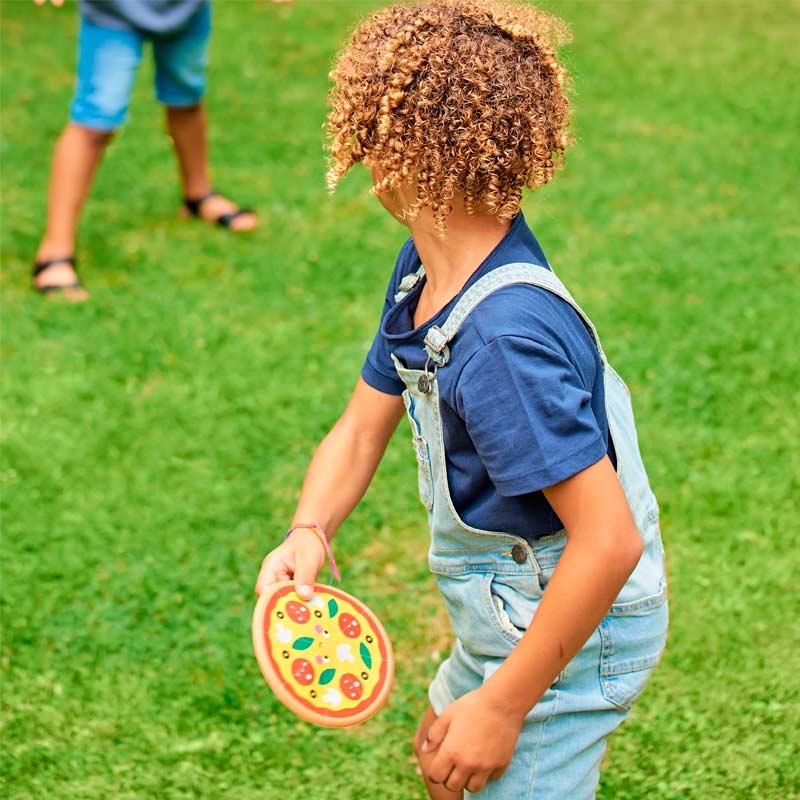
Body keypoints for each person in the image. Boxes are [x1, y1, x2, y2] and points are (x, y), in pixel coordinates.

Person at [255, 1, 668, 797]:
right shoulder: (424, 274)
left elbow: (608, 543)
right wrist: (310, 528)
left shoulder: (501, 345)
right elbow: (360, 425)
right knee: (447, 764)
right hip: (510, 609)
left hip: (577, 625)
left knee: (479, 753)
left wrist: (505, 707)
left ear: (398, 158)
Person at [32, 0, 258, 300]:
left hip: (185, 11)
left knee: (186, 97)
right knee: (95, 119)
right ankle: (55, 248)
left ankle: (198, 195)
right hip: (113, 14)